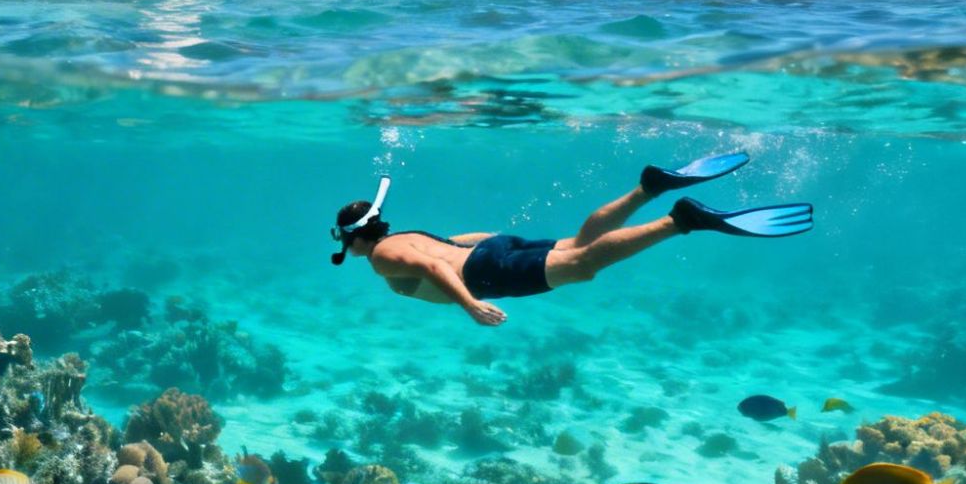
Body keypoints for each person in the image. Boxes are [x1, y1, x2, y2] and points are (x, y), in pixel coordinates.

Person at [329, 153, 810, 326]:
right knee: (579, 240)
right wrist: (499, 241)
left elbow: (437, 268)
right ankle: (649, 186)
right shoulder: (407, 235)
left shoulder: (381, 258)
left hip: (482, 273)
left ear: (354, 237)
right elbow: (457, 240)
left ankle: (679, 220)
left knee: (582, 266)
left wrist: (470, 306)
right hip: (490, 252)